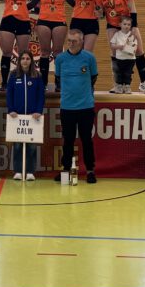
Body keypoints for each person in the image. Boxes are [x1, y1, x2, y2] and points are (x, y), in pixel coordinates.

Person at [52, 28, 99, 183]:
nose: (71, 44)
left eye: (74, 41)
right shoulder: (60, 59)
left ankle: (90, 171)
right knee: (68, 140)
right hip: (67, 107)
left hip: (86, 107)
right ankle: (66, 170)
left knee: (86, 140)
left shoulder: (89, 58)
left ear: (82, 41)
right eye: (69, 41)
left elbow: (93, 77)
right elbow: (58, 79)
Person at [97, 0, 145, 93]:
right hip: (112, 24)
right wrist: (99, 14)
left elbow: (132, 7)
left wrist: (134, 27)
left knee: (138, 50)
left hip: (128, 23)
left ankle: (144, 83)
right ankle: (117, 84)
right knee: (115, 52)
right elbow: (101, 14)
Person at [7, 49, 44, 181]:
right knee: (17, 145)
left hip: (33, 116)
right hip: (17, 116)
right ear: (19, 61)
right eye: (23, 58)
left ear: (31, 61)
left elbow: (41, 95)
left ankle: (30, 171)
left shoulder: (37, 76)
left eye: (28, 59)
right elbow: (9, 94)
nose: (25, 61)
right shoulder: (13, 75)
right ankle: (18, 170)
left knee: (31, 145)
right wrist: (11, 109)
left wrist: (39, 111)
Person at [0, 0, 33, 89]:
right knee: (6, 52)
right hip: (8, 19)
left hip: (23, 20)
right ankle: (4, 83)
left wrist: (29, 7)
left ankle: (22, 79)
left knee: (23, 54)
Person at [34, 0, 68, 89]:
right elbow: (33, 3)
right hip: (43, 21)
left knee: (58, 52)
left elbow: (73, 2)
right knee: (45, 52)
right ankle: (43, 82)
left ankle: (59, 82)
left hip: (59, 21)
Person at [109, 16, 137, 95]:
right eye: (124, 24)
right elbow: (112, 45)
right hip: (119, 58)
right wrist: (118, 47)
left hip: (130, 59)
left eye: (128, 24)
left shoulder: (132, 35)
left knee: (128, 73)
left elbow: (135, 45)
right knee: (118, 73)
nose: (126, 26)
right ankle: (119, 86)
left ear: (130, 26)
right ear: (120, 24)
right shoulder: (117, 34)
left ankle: (127, 86)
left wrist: (133, 50)